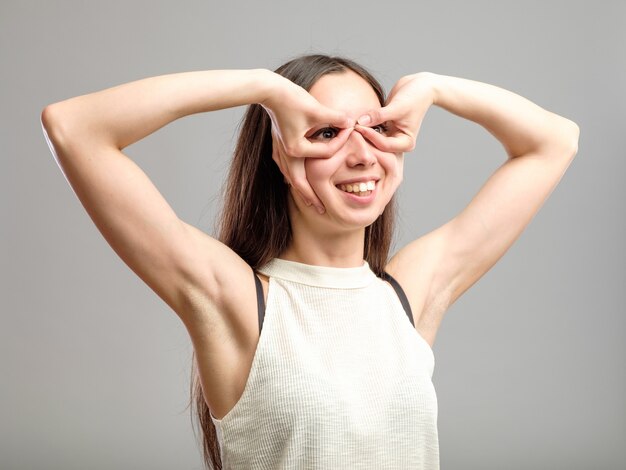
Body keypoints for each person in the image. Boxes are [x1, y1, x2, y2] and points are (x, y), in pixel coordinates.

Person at [41, 54, 579, 469]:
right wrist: (262, 88)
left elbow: (555, 141)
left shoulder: (409, 292)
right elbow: (75, 127)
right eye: (327, 133)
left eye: (379, 129)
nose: (363, 153)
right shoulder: (236, 297)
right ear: (279, 152)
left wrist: (435, 88)